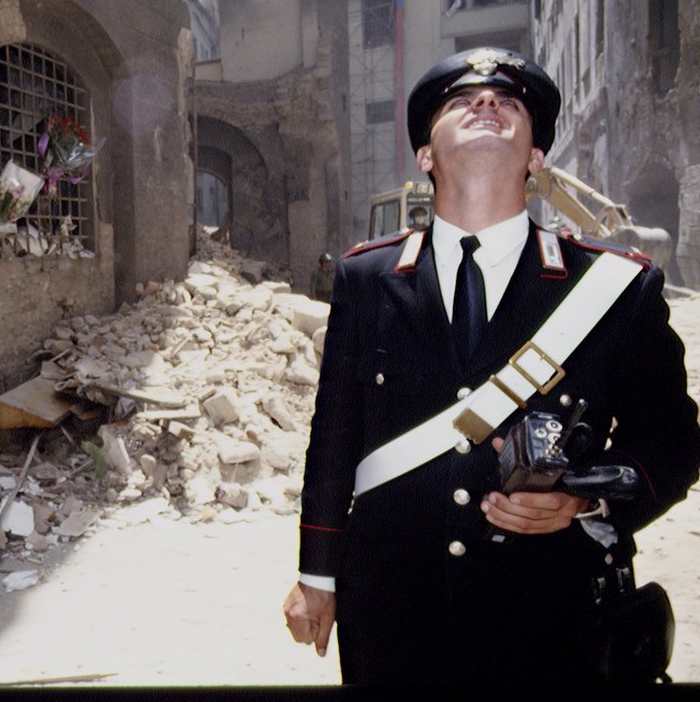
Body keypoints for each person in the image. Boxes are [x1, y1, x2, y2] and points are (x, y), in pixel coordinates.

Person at [282, 47, 700, 684]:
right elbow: (335, 436)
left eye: (508, 102)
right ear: (426, 155)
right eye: (461, 102)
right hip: (394, 612)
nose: (485, 104)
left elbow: (672, 442)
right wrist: (317, 574)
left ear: (536, 158)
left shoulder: (615, 287)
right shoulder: (365, 277)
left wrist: (585, 505)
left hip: (549, 615)